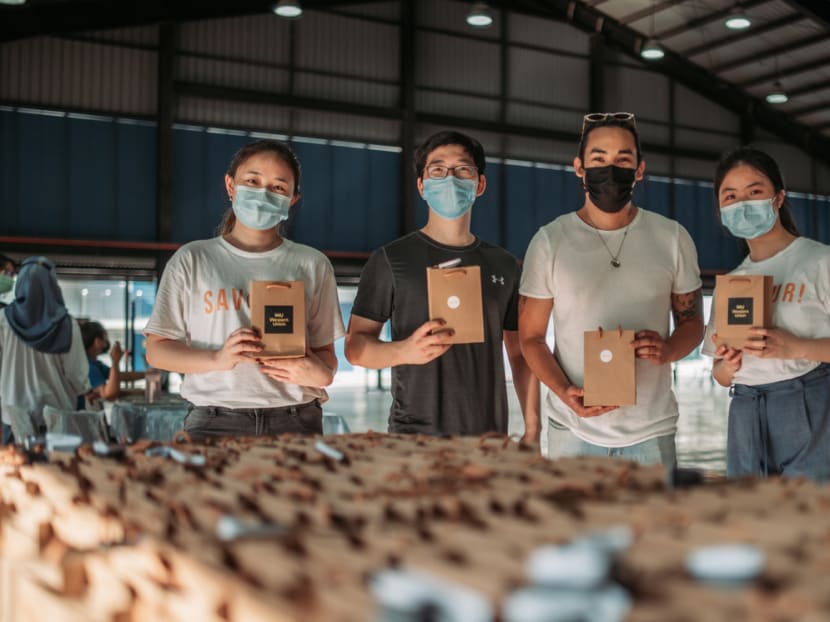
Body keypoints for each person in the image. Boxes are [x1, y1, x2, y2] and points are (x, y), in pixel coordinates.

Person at [518, 112, 704, 466]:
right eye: (599, 159)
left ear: (639, 170)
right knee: (578, 523)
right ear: (579, 167)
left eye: (623, 160)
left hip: (651, 430)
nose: (610, 169)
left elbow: (691, 324)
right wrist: (564, 392)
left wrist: (667, 351)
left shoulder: (672, 237)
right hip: (572, 431)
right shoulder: (550, 241)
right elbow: (531, 338)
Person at [345, 130, 540, 440]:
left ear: (480, 184)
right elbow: (356, 348)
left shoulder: (503, 264)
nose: (450, 178)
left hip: (488, 438)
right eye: (437, 169)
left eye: (463, 169)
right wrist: (404, 351)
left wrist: (532, 429)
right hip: (414, 437)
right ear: (422, 186)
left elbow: (519, 355)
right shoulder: (391, 260)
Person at [144, 139, 344, 438]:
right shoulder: (193, 259)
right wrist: (217, 359)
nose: (263, 193)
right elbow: (157, 351)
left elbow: (326, 357)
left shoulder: (312, 264)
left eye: (278, 187)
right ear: (230, 186)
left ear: (292, 199)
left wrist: (316, 371)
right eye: (252, 180)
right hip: (214, 421)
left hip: (295, 418)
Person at [704, 146, 830, 481]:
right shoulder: (730, 283)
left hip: (807, 401)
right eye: (730, 195)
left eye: (754, 191)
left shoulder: (819, 261)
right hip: (744, 410)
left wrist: (797, 347)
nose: (742, 203)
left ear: (778, 198)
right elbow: (718, 375)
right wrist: (728, 364)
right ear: (720, 208)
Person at [0, 257, 89, 444]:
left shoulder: (3, 321)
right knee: (58, 470)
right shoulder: (67, 325)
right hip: (58, 421)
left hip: (14, 420)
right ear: (53, 285)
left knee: (16, 470)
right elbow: (76, 376)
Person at [81, 320, 145, 402]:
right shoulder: (89, 366)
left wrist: (148, 374)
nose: (106, 342)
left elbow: (119, 376)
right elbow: (108, 394)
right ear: (97, 341)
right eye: (105, 338)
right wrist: (115, 361)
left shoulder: (95, 364)